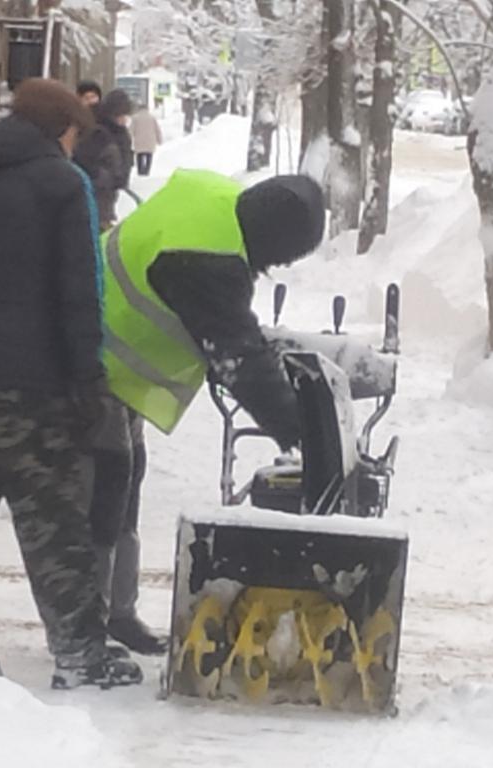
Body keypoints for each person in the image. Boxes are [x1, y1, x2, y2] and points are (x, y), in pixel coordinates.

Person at [0, 78, 142, 690]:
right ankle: (78, 654)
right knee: (53, 521)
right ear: (61, 129)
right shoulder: (64, 186)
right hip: (34, 386)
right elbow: (79, 294)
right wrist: (87, 379)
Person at [89, 169, 326, 654]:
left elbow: (234, 333)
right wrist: (300, 431)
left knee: (123, 479)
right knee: (103, 489)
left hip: (104, 354)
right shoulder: (207, 259)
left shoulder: (215, 201)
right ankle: (84, 626)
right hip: (90, 362)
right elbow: (237, 354)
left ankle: (114, 612)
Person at [74, 88, 134, 231]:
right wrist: (106, 177)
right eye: (120, 115)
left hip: (108, 193)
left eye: (125, 115)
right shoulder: (97, 132)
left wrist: (121, 177)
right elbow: (86, 161)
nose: (123, 119)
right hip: (96, 193)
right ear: (112, 114)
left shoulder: (120, 132)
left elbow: (124, 156)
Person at [130, 104, 163, 176]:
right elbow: (157, 130)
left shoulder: (135, 118)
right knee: (149, 155)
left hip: (139, 140)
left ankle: (140, 171)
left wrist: (128, 139)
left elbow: (131, 130)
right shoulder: (152, 117)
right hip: (150, 140)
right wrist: (159, 140)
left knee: (139, 155)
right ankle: (147, 171)